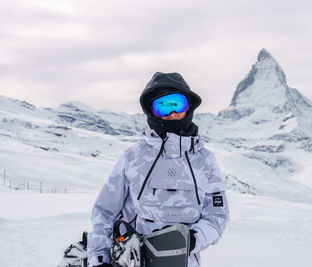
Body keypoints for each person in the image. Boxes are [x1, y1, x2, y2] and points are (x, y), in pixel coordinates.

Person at [87, 72, 230, 267]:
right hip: (133, 260)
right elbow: (104, 211)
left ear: (189, 107)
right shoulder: (133, 157)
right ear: (151, 111)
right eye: (162, 106)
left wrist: (192, 240)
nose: (171, 113)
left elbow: (217, 215)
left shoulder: (205, 161)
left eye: (177, 104)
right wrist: (99, 258)